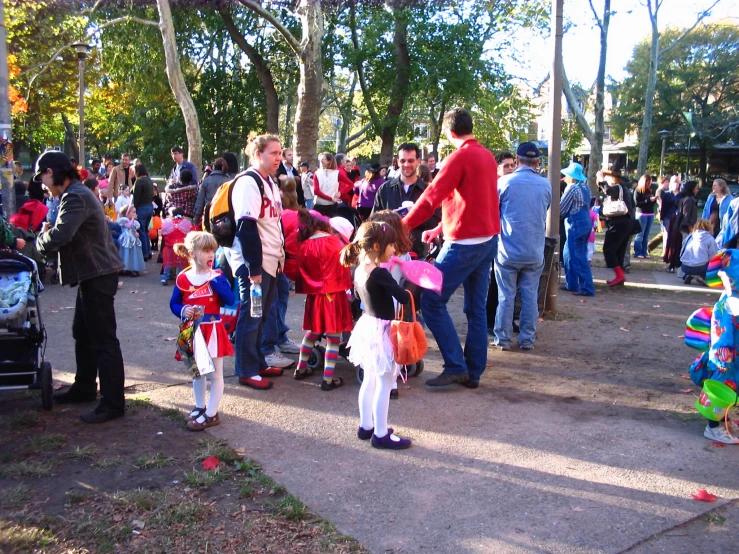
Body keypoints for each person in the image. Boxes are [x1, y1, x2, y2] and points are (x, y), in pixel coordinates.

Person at [403, 108, 499, 388]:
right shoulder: (486, 156)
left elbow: (431, 197)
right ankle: (473, 371)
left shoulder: (459, 157)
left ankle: (456, 366)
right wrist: (441, 228)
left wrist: (404, 226)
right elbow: (474, 201)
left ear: (449, 132)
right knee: (476, 309)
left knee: (432, 301)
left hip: (464, 245)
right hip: (486, 241)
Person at [34, 151, 125, 423]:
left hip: (97, 273)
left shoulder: (75, 195)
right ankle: (85, 388)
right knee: (83, 333)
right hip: (93, 273)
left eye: (42, 176)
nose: (41, 182)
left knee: (103, 339)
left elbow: (62, 234)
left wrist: (39, 240)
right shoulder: (74, 194)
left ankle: (112, 404)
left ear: (52, 172)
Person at [342, 221, 412, 449]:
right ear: (375, 245)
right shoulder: (381, 273)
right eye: (391, 246)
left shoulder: (360, 269)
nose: (394, 251)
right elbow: (402, 297)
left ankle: (366, 425)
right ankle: (381, 434)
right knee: (384, 381)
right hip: (382, 330)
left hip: (368, 326)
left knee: (370, 379)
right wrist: (414, 283)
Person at [225, 134, 286, 391]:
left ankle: (258, 361)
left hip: (271, 261)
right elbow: (246, 227)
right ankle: (246, 370)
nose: (278, 158)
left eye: (280, 153)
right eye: (273, 153)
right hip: (255, 264)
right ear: (258, 154)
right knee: (251, 315)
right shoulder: (248, 183)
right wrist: (254, 268)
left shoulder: (269, 182)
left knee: (261, 315)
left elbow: (273, 224)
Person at [169, 232, 235, 431]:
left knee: (216, 375)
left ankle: (212, 413)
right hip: (190, 330)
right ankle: (200, 407)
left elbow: (230, 300)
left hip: (212, 330)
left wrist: (217, 282)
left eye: (212, 251)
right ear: (192, 253)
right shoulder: (183, 277)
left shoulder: (218, 276)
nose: (211, 255)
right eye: (206, 251)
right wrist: (182, 310)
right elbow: (174, 303)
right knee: (196, 373)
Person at [493, 142, 552, 351]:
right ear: (537, 163)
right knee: (530, 296)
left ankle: (503, 339)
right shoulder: (545, 185)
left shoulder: (503, 183)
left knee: (505, 296)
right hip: (534, 250)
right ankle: (527, 339)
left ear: (517, 161)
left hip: (507, 249)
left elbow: (495, 213)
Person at [292, 209, 353, 390]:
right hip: (333, 296)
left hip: (315, 296)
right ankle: (328, 379)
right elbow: (345, 267)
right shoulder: (334, 243)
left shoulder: (303, 246)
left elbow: (301, 273)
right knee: (333, 339)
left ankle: (300, 368)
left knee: (312, 333)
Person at [688, 250, 739, 444]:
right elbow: (723, 331)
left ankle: (724, 420)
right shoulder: (731, 301)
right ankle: (713, 427)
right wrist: (722, 355)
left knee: (732, 390)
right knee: (721, 390)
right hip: (726, 357)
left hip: (735, 356)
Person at [368, 209, 415, 400]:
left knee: (381, 344)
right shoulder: (402, 256)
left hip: (378, 305)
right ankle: (391, 380)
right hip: (394, 306)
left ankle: (385, 378)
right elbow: (408, 276)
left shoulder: (378, 257)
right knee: (392, 343)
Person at [372, 143, 441, 259]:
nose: (406, 164)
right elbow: (373, 221)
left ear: (418, 161)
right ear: (398, 161)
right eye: (403, 161)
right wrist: (393, 216)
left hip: (418, 253)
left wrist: (415, 213)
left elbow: (436, 221)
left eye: (410, 161)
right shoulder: (385, 189)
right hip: (389, 255)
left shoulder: (427, 191)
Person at [486, 151, 517, 335]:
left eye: (512, 165)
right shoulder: (494, 185)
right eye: (506, 165)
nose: (510, 168)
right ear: (497, 168)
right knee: (495, 283)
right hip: (495, 238)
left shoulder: (514, 185)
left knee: (508, 285)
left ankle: (506, 321)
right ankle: (491, 320)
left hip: (511, 240)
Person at [559, 162, 594, 296]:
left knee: (578, 256)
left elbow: (562, 208)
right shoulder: (585, 188)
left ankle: (586, 288)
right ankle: (572, 283)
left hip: (575, 224)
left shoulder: (572, 188)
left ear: (571, 176)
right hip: (584, 222)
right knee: (569, 254)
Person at [599, 168, 634, 286]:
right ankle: (619, 276)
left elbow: (608, 191)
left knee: (609, 249)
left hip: (618, 223)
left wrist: (601, 180)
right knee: (619, 250)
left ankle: (619, 275)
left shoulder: (617, 188)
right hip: (626, 223)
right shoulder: (624, 189)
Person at [665, 181, 698, 273]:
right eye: (696, 187)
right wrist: (690, 228)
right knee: (683, 248)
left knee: (678, 247)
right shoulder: (688, 200)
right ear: (692, 189)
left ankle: (675, 266)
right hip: (684, 228)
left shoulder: (684, 199)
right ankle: (680, 267)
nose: (697, 189)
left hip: (679, 226)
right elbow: (686, 215)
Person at [679, 219, 717, 285]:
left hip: (684, 266)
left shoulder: (689, 237)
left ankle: (689, 275)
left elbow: (682, 251)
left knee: (693, 262)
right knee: (711, 264)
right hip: (700, 267)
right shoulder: (710, 239)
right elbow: (712, 256)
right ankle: (702, 277)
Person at [313, 152, 351, 218]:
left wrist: (340, 192)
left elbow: (351, 184)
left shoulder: (337, 173)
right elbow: (316, 191)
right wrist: (331, 198)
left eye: (323, 159)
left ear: (329, 161)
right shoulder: (317, 173)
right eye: (320, 159)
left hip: (331, 205)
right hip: (320, 204)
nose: (321, 161)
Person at [160, 207, 192, 285]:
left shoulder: (167, 223)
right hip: (181, 247)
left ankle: (165, 277)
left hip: (169, 246)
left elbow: (164, 234)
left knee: (168, 262)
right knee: (181, 263)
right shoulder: (187, 223)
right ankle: (179, 278)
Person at [194, 157, 230, 226]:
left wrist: (196, 220)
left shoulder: (206, 181)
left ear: (213, 167)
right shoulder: (230, 181)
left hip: (209, 218)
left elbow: (199, 202)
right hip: (227, 221)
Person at [131, 164, 155, 261]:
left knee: (141, 230)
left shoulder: (139, 181)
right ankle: (148, 251)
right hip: (149, 207)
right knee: (145, 230)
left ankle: (144, 253)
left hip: (141, 208)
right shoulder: (149, 180)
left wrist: (133, 209)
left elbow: (136, 197)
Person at [117, 204, 146, 277]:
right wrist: (133, 219)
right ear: (127, 213)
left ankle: (134, 269)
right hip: (126, 239)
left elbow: (134, 228)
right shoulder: (123, 220)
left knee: (133, 254)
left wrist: (136, 233)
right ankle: (124, 268)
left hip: (133, 239)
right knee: (125, 254)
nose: (135, 214)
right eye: (133, 212)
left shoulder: (135, 222)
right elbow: (128, 226)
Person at [633, 174, 656, 259]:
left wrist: (653, 200)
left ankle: (644, 251)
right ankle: (637, 252)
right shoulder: (638, 190)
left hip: (650, 213)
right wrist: (647, 200)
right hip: (641, 214)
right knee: (640, 234)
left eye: (650, 182)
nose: (649, 184)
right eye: (648, 182)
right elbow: (637, 203)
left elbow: (650, 203)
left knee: (646, 234)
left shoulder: (649, 190)